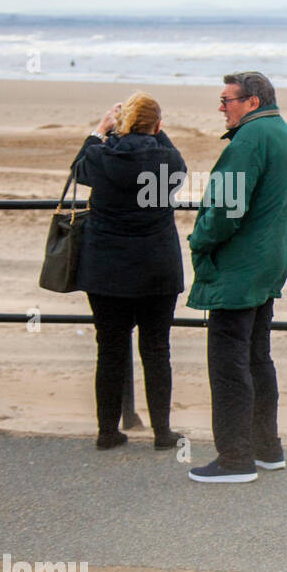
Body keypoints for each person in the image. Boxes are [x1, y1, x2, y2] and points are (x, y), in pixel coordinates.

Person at [185, 72, 287, 483]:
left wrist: (199, 239)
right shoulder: (281, 132)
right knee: (256, 356)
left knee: (228, 361)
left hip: (240, 266)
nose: (221, 107)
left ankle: (235, 459)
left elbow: (225, 207)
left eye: (227, 100)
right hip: (268, 260)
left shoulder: (251, 139)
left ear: (251, 102)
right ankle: (266, 449)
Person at [72, 92, 186, 451]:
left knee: (109, 349)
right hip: (157, 268)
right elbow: (178, 169)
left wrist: (100, 130)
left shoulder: (100, 156)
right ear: (157, 125)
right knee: (156, 349)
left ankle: (108, 431)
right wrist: (156, 133)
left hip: (107, 269)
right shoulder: (167, 160)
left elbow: (78, 170)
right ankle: (163, 433)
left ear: (120, 124)